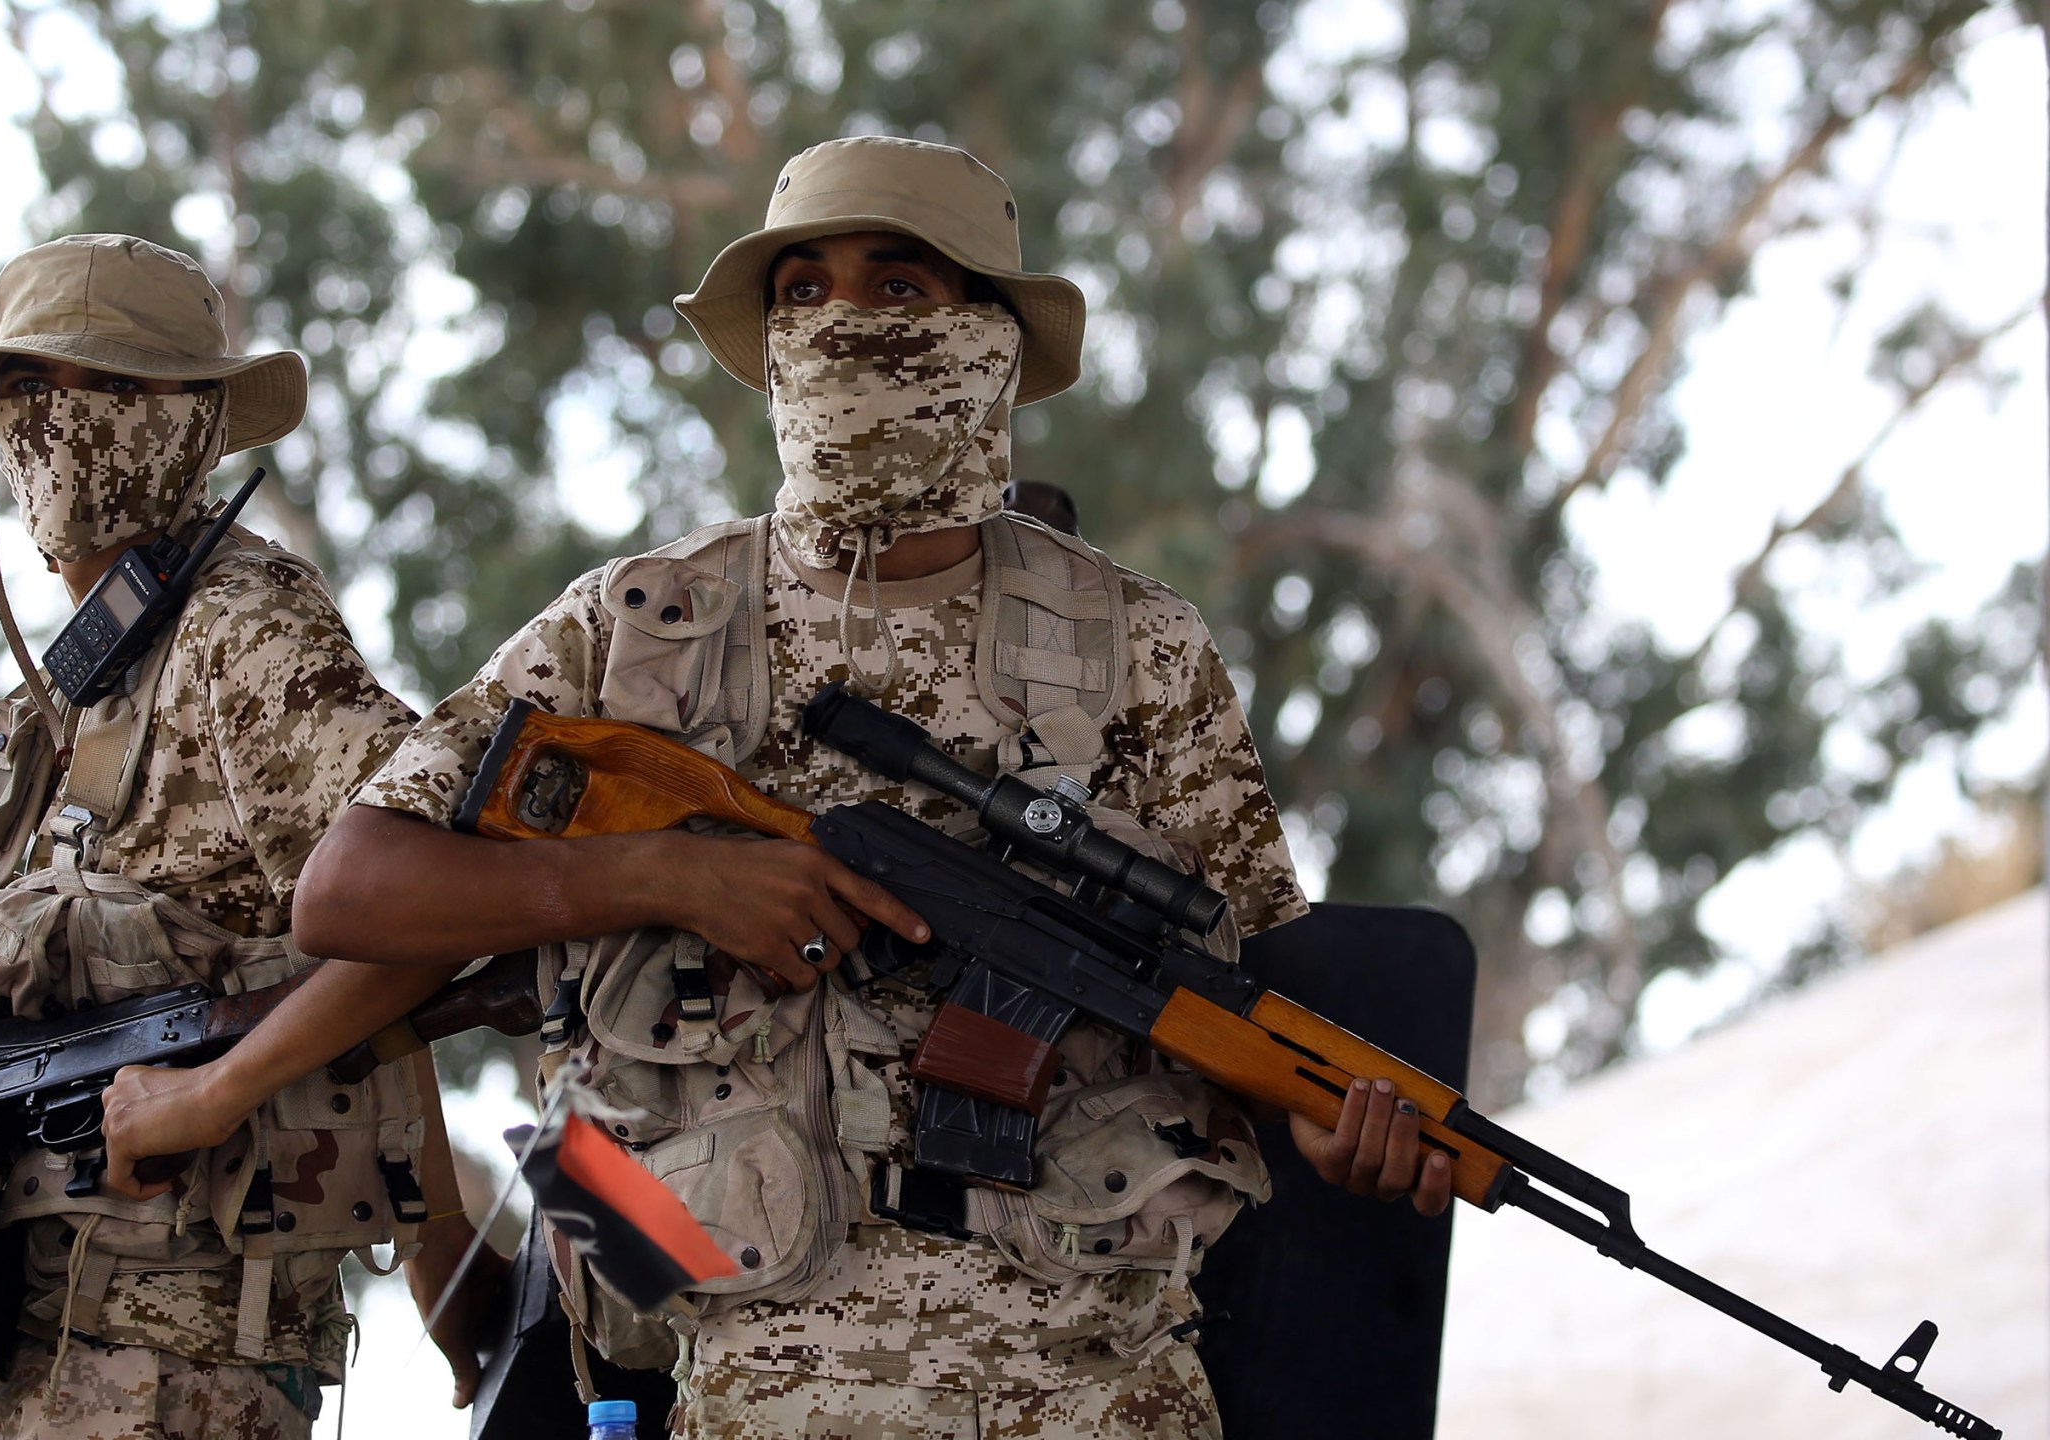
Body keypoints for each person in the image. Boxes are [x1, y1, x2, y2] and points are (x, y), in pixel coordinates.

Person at [111, 139, 1447, 1437]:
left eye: (898, 285)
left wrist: (1335, 1136)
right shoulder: (640, 627)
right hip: (756, 1380)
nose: (842, 317)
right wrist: (668, 874)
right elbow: (352, 892)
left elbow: (1254, 983)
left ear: (991, 337)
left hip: (1101, 1383)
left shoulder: (1138, 645)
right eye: (803, 289)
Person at [0, 233, 492, 1440]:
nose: (70, 423)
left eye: (123, 390)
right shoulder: (51, 706)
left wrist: (219, 1102)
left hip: (164, 1369)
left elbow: (428, 906)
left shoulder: (244, 628)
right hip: (4, 1353)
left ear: (201, 421)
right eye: (34, 390)